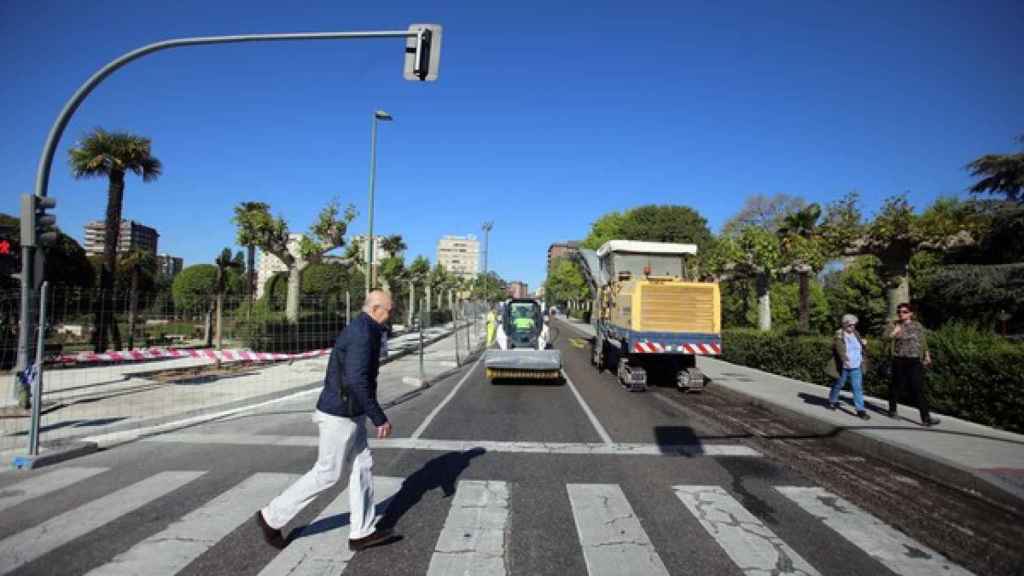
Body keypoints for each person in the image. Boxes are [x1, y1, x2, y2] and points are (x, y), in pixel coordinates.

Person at [255, 291, 395, 551]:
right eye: (389, 310)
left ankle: (362, 532)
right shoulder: (362, 333)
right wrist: (378, 417)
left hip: (350, 411)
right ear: (376, 309)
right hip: (339, 415)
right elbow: (356, 379)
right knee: (327, 473)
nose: (391, 315)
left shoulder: (367, 328)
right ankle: (271, 517)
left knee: (362, 465)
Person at [887, 302, 940, 426]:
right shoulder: (893, 325)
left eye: (904, 311)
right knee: (896, 386)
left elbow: (922, 341)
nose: (901, 313)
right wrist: (894, 332)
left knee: (918, 388)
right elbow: (884, 338)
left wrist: (927, 354)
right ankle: (892, 409)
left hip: (915, 361)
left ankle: (926, 418)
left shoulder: (917, 325)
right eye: (899, 311)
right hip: (899, 360)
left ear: (911, 313)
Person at [827, 314, 870, 420]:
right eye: (850, 325)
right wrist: (844, 359)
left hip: (856, 365)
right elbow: (839, 349)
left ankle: (860, 410)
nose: (852, 327)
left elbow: (860, 348)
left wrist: (864, 344)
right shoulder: (839, 335)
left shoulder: (856, 334)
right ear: (844, 324)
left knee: (857, 388)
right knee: (839, 384)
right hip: (844, 366)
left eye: (854, 325)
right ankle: (832, 400)